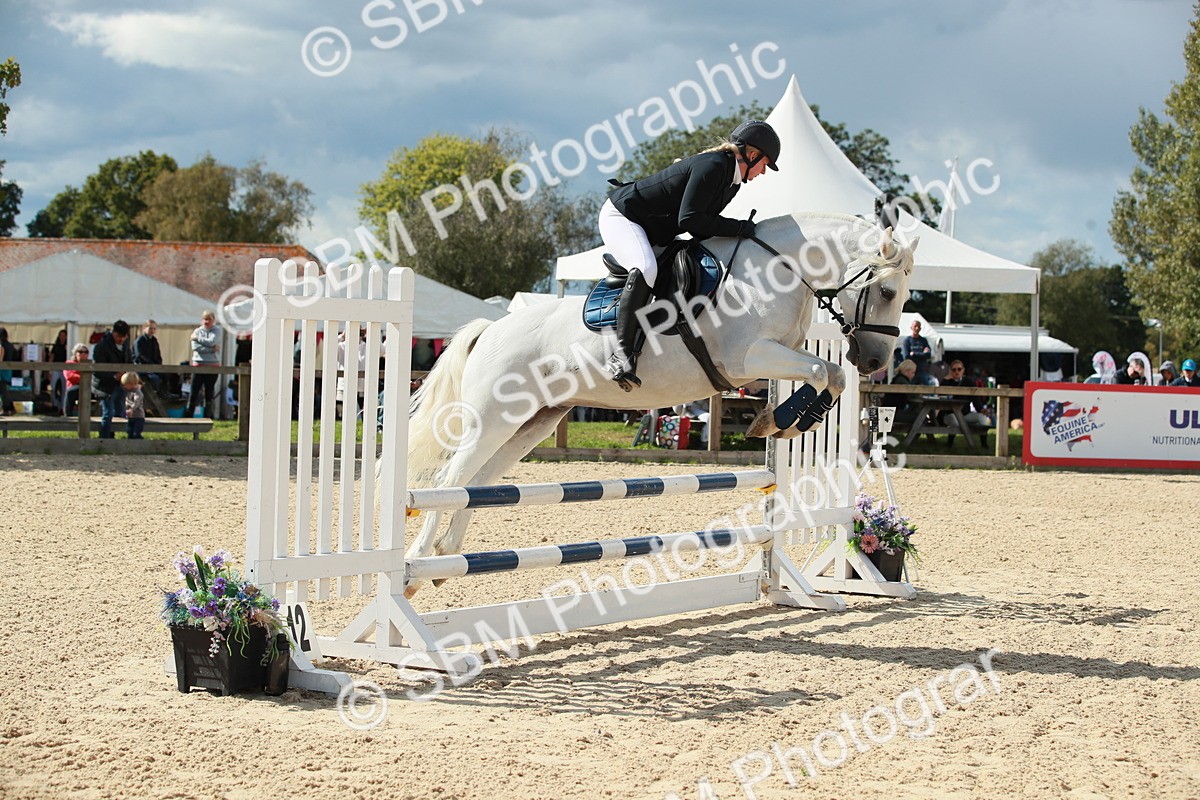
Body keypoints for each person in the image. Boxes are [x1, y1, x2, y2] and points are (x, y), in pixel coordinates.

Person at [599, 119, 779, 390]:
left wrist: (736, 232)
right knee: (646, 267)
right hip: (623, 216)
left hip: (654, 229)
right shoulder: (714, 166)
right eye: (765, 164)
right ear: (753, 155)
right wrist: (739, 227)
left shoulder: (732, 181)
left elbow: (701, 226)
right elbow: (690, 220)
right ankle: (622, 353)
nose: (763, 172)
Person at [92, 320, 132, 438]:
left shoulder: (126, 345)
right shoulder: (102, 346)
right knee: (108, 413)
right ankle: (104, 439)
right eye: (119, 336)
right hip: (104, 386)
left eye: (124, 337)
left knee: (120, 414)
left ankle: (114, 438)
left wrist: (127, 373)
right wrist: (114, 376)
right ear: (113, 333)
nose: (121, 339)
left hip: (120, 385)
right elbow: (98, 370)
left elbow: (129, 361)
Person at [185, 310, 221, 418]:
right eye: (205, 319)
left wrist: (197, 339)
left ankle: (207, 417)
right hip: (198, 364)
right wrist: (211, 349)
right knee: (194, 392)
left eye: (209, 319)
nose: (207, 321)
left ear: (213, 320)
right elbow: (195, 348)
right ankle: (188, 417)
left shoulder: (217, 330)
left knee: (208, 393)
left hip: (212, 365)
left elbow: (212, 342)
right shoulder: (197, 330)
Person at [132, 319, 166, 396]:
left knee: (165, 375)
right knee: (154, 378)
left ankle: (164, 393)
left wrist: (159, 364)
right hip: (141, 367)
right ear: (145, 328)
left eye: (154, 328)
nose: (152, 330)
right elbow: (139, 355)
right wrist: (150, 364)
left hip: (153, 366)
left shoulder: (154, 341)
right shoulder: (139, 341)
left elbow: (158, 355)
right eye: (150, 328)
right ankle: (156, 394)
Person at [901, 320, 936, 386]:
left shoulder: (923, 340)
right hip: (911, 372)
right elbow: (906, 357)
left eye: (918, 327)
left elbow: (928, 355)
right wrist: (922, 354)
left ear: (920, 328)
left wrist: (914, 354)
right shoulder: (907, 341)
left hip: (922, 370)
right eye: (915, 326)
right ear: (911, 328)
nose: (917, 328)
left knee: (927, 388)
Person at [63, 343, 89, 416]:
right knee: (71, 392)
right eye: (80, 352)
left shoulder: (90, 364)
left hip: (88, 386)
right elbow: (70, 376)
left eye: (86, 352)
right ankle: (68, 415)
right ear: (75, 353)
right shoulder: (69, 363)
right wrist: (84, 378)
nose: (83, 354)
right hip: (75, 386)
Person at [122, 372, 145, 439]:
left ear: (131, 384)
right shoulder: (128, 391)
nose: (124, 386)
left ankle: (139, 444)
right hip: (131, 417)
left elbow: (136, 402)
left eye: (125, 384)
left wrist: (131, 409)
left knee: (136, 433)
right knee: (129, 431)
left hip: (138, 417)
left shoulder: (138, 392)